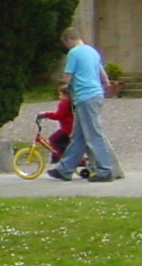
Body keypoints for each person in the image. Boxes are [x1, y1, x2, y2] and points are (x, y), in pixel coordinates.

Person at [48, 26, 119, 182]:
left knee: (93, 134)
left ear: (68, 40)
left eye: (65, 43)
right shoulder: (92, 51)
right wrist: (105, 85)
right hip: (95, 94)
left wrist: (66, 86)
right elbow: (103, 75)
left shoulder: (74, 53)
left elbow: (67, 77)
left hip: (85, 96)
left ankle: (105, 170)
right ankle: (65, 169)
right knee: (78, 136)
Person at [42, 89, 73, 164]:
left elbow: (59, 115)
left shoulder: (64, 103)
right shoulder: (69, 102)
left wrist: (45, 114)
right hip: (70, 128)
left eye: (60, 95)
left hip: (66, 128)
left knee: (53, 139)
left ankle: (57, 156)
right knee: (63, 143)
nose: (59, 97)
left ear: (66, 95)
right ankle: (65, 156)